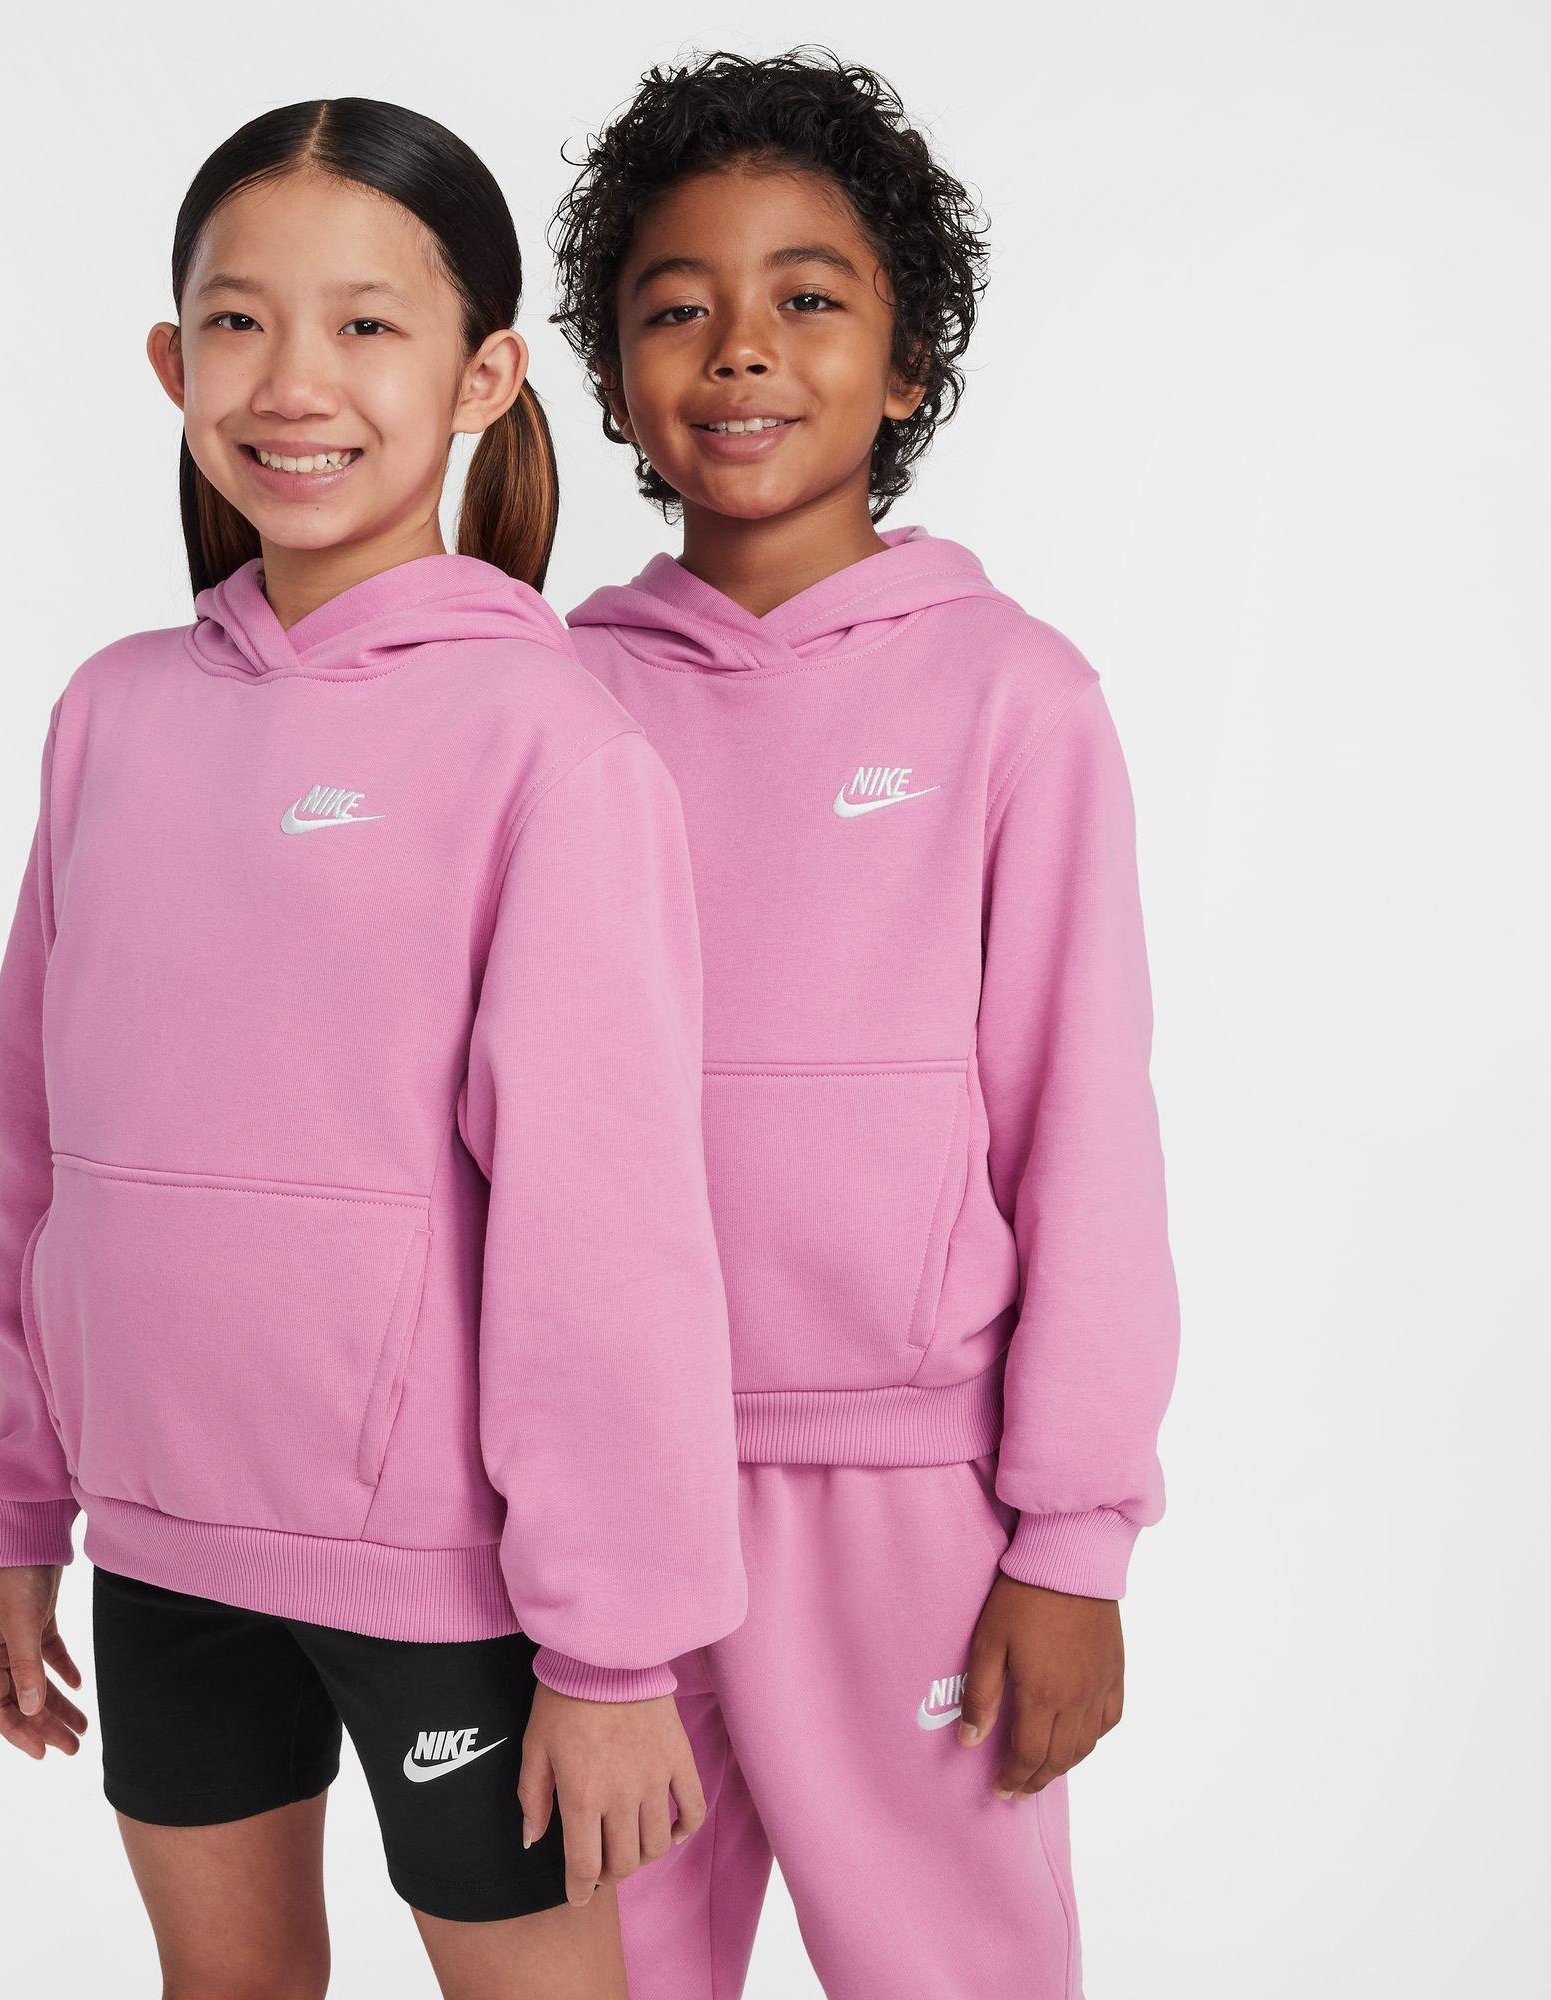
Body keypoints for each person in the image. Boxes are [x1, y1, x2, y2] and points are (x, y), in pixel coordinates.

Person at [0, 96, 745, 1999]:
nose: (293, 380)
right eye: (239, 322)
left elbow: (608, 1228)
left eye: (366, 324)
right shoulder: (111, 715)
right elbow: (36, 1153)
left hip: (450, 1584)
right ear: (173, 362)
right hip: (160, 1550)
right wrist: (21, 1509)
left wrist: (615, 1648)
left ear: (482, 378)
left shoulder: (549, 744)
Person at [549, 48, 1181, 1999]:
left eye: (808, 297)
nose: (742, 347)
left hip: (911, 1503)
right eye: (679, 306)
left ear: (907, 365)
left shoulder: (1014, 699)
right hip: (593, 1514)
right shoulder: (550, 708)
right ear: (612, 376)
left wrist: (1072, 1543)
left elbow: (1083, 1131)